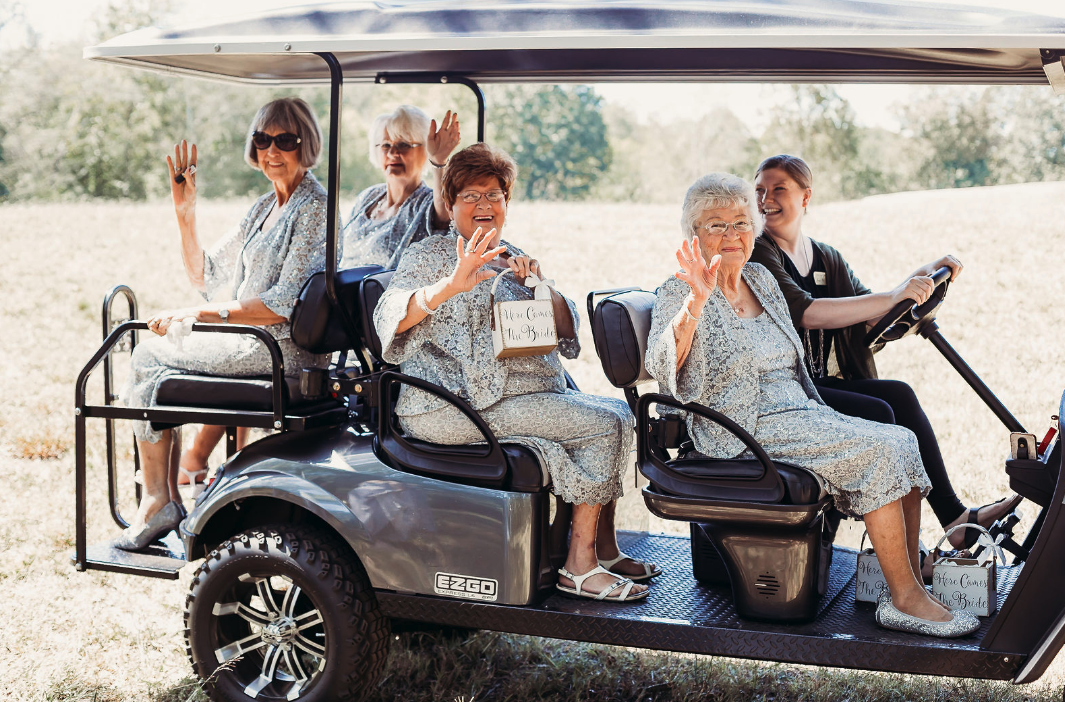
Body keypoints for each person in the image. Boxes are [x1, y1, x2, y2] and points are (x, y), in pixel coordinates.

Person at [646, 172, 979, 636]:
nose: (732, 235)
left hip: (798, 409)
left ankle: (905, 583)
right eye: (716, 225)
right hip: (742, 424)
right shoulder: (679, 290)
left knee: (899, 437)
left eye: (741, 222)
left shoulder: (760, 277)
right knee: (881, 450)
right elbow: (663, 365)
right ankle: (905, 599)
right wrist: (695, 305)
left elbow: (795, 355)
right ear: (693, 235)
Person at [373, 142, 658, 602]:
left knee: (620, 416)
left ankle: (603, 550)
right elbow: (388, 316)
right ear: (450, 204)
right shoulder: (429, 256)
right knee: (606, 425)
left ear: (506, 203)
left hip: (512, 397)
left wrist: (540, 286)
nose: (483, 205)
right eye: (470, 195)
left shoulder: (513, 255)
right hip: (449, 404)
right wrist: (450, 285)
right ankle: (579, 568)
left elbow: (567, 332)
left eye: (494, 195)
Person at [749, 154, 1020, 551]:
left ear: (805, 197)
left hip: (824, 383)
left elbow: (870, 311)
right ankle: (904, 554)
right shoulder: (760, 252)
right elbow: (806, 313)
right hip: (789, 391)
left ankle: (953, 519)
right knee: (881, 416)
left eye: (778, 189)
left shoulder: (826, 257)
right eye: (758, 190)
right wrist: (895, 294)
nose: (765, 199)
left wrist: (919, 278)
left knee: (899, 395)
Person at [114, 97, 329, 550]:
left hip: (278, 347)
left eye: (285, 140)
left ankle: (158, 500)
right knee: (154, 350)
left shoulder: (313, 208)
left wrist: (196, 316)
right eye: (263, 139)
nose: (272, 150)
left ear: (305, 143)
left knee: (148, 354)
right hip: (253, 338)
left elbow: (281, 303)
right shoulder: (262, 208)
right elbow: (207, 276)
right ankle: (167, 497)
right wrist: (185, 213)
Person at [339, 105, 460, 269]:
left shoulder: (427, 203)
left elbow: (446, 214)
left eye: (403, 144)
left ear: (427, 149)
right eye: (386, 145)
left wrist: (438, 161)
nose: (392, 153)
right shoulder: (368, 197)